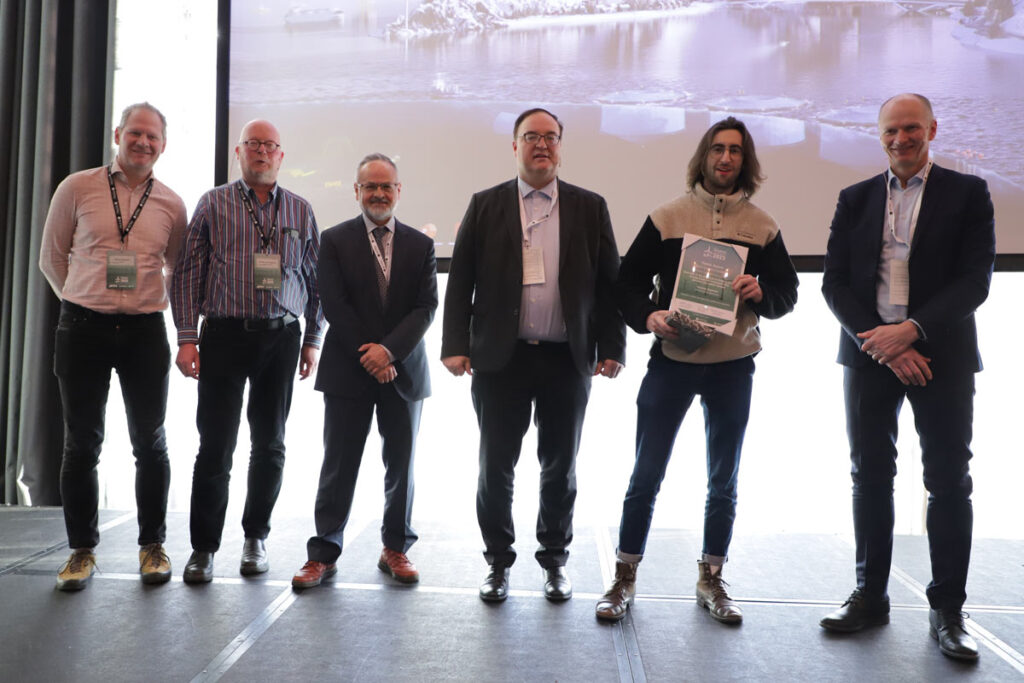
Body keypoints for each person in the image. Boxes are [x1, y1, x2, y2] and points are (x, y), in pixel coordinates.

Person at [595, 117, 798, 624]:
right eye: (717, 150)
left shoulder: (764, 226)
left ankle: (711, 577)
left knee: (723, 479)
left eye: (734, 151)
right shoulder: (666, 217)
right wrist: (649, 316)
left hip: (733, 367)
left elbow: (788, 295)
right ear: (703, 158)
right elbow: (625, 284)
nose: (725, 159)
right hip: (673, 363)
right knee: (646, 474)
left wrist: (762, 295)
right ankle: (624, 576)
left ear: (744, 161)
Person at [819, 94, 995, 661]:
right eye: (891, 130)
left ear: (932, 130)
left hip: (941, 357)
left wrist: (913, 330)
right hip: (872, 354)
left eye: (912, 128)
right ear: (879, 135)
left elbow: (975, 282)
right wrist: (885, 343)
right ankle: (870, 596)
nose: (901, 139)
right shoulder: (855, 198)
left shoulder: (969, 194)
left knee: (948, 481)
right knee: (869, 477)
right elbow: (836, 283)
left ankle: (948, 611)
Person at [441, 107, 626, 603]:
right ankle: (498, 563)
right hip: (501, 360)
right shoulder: (485, 205)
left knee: (560, 466)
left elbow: (610, 285)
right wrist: (455, 345)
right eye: (530, 137)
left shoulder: (590, 207)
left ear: (561, 147)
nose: (540, 145)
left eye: (550, 137)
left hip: (568, 359)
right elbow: (460, 282)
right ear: (515, 146)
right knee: (495, 466)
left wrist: (613, 346)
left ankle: (554, 561)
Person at [38, 102, 187, 590]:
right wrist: (84, 301)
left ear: (163, 146)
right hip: (82, 330)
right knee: (82, 445)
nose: (143, 143)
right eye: (136, 134)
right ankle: (81, 552)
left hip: (145, 332)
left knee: (151, 443)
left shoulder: (171, 204)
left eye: (153, 137)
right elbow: (51, 258)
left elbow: (177, 269)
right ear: (118, 134)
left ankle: (153, 547)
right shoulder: (76, 187)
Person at [171, 119, 325, 583]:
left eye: (270, 146)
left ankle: (255, 538)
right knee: (216, 445)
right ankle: (204, 549)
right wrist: (185, 337)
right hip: (223, 336)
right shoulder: (213, 203)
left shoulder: (300, 210)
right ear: (238, 152)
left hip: (282, 337)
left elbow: (317, 282)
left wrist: (314, 340)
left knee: (270, 443)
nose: (262, 152)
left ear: (281, 156)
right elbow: (187, 273)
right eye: (253, 144)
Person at [292, 154, 437, 590]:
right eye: (369, 186)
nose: (378, 194)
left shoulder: (421, 244)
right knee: (338, 464)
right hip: (348, 372)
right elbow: (334, 304)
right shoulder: (334, 240)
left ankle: (396, 549)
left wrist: (389, 352)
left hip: (403, 372)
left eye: (386, 186)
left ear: (398, 190)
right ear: (356, 191)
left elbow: (426, 307)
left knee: (401, 466)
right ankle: (322, 555)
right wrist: (372, 356)